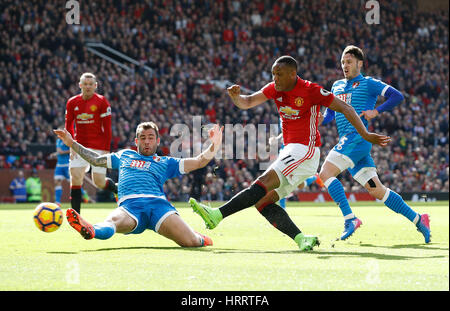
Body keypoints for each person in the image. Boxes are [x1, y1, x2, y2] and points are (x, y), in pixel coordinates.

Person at [189, 55, 391, 251]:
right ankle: (302, 239)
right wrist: (236, 97)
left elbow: (346, 108)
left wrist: (365, 133)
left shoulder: (310, 90)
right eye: (273, 74)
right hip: (293, 151)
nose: (274, 78)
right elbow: (248, 102)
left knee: (263, 181)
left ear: (293, 74)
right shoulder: (275, 89)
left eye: (279, 74)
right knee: (263, 201)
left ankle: (217, 215)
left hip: (306, 150)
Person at [319, 45, 431, 242]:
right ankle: (418, 219)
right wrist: (319, 120)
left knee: (325, 173)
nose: (345, 65)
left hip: (357, 138)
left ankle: (350, 219)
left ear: (360, 64)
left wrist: (377, 111)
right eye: (343, 62)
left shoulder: (368, 83)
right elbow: (330, 115)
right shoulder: (336, 86)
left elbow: (397, 96)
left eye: (349, 62)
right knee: (376, 190)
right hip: (353, 145)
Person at [54, 122, 224, 248]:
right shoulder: (125, 156)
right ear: (136, 141)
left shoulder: (165, 162)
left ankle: (200, 238)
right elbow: (96, 160)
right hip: (130, 207)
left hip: (159, 207)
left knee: (191, 242)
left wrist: (214, 144)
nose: (147, 142)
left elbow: (199, 161)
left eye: (150, 138)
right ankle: (91, 230)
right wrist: (71, 143)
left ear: (157, 141)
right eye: (143, 138)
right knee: (112, 221)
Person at [64, 72, 117, 214]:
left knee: (98, 182)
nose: (88, 87)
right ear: (80, 85)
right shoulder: (72, 102)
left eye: (90, 84)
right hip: (79, 145)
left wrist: (106, 149)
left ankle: (117, 189)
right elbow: (68, 125)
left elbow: (107, 128)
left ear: (95, 86)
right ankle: (76, 217)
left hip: (98, 148)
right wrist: (72, 145)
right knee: (75, 177)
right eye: (85, 84)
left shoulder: (102, 102)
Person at [50, 138, 90, 206]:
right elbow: (59, 151)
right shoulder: (58, 140)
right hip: (59, 165)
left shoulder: (68, 139)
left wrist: (63, 152)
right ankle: (58, 202)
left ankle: (84, 194)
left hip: (67, 165)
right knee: (57, 182)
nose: (58, 134)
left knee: (73, 182)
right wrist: (56, 154)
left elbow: (73, 149)